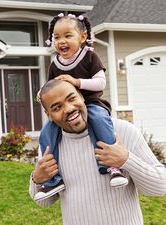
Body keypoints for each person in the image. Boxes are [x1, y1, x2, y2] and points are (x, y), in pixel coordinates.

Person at [29, 79, 166, 225]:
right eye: (57, 108)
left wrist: (126, 160)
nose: (68, 109)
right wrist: (36, 180)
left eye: (72, 98)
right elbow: (44, 202)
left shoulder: (122, 131)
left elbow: (160, 187)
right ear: (48, 115)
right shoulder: (50, 147)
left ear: (81, 96)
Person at [34, 12, 128, 201]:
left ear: (83, 37)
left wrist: (76, 82)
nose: (61, 41)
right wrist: (41, 93)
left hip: (91, 103)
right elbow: (51, 87)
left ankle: (112, 167)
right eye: (57, 37)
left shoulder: (89, 57)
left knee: (100, 120)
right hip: (66, 111)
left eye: (68, 35)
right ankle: (53, 179)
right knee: (46, 132)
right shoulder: (55, 64)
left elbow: (100, 83)